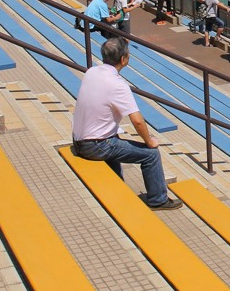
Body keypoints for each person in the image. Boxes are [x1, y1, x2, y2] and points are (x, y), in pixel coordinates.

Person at [70, 38, 182, 210]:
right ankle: (158, 200)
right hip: (95, 145)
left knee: (115, 139)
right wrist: (149, 141)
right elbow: (137, 120)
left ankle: (117, 189)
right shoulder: (118, 85)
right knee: (150, 155)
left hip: (79, 140)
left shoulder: (92, 72)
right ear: (123, 59)